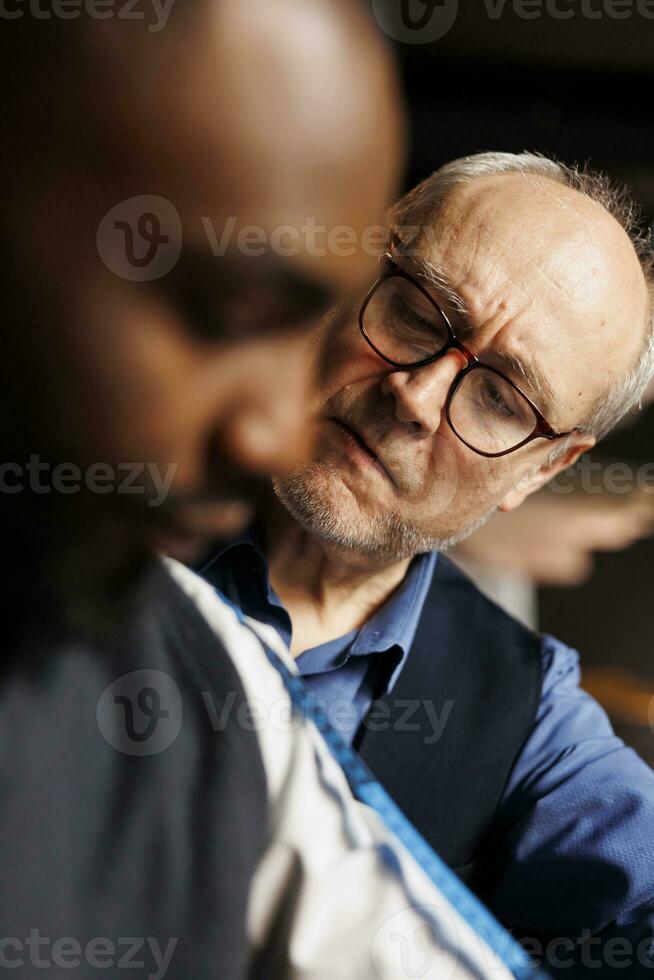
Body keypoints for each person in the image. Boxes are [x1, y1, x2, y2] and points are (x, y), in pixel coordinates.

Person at [2, 5, 523, 980]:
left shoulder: (215, 693)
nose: (277, 432)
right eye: (228, 314)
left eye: (501, 397)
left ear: (545, 469)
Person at [204, 151, 654, 976]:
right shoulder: (112, 496)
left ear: (542, 469)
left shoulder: (531, 723)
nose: (415, 396)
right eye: (418, 313)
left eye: (499, 397)